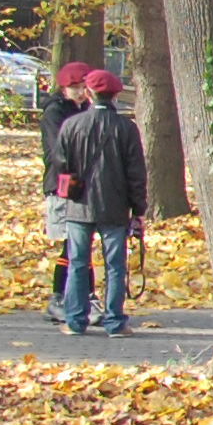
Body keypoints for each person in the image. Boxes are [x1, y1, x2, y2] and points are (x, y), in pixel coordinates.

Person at [54, 69, 146, 337]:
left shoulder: (71, 125)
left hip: (79, 205)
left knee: (77, 263)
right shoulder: (126, 128)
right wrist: (138, 209)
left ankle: (75, 321)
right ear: (115, 96)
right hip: (115, 205)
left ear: (88, 93)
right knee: (115, 266)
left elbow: (61, 163)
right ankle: (115, 322)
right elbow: (136, 173)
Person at [39, 60, 92, 320]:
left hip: (86, 185)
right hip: (63, 185)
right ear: (64, 88)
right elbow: (58, 150)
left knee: (81, 244)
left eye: (83, 87)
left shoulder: (88, 109)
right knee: (72, 243)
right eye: (75, 88)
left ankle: (84, 296)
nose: (80, 93)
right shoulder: (55, 112)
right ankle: (60, 296)